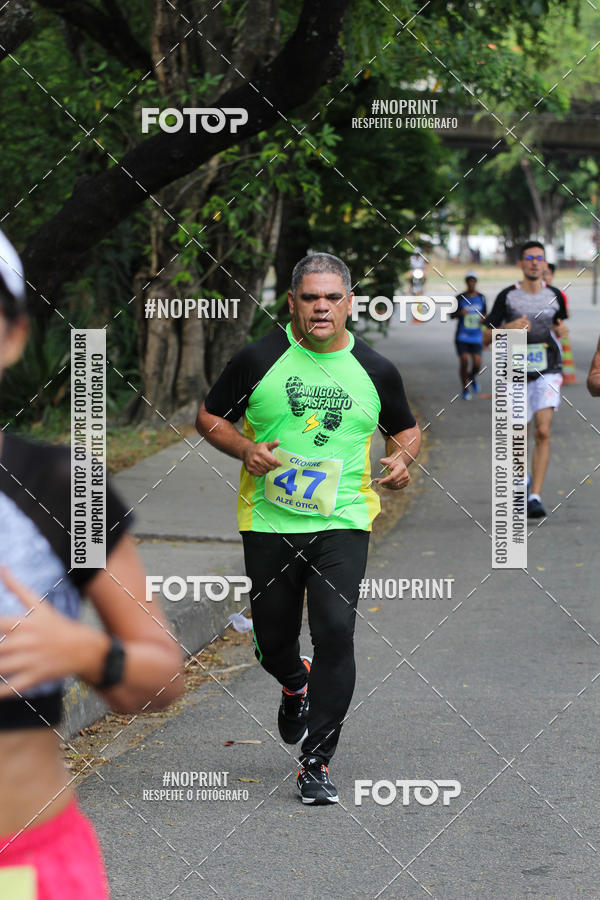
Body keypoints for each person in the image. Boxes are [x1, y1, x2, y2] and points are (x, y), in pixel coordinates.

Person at [196, 252, 420, 805]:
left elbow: (406, 429)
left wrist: (401, 459)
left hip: (343, 520)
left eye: (333, 297)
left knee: (336, 630)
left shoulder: (375, 369)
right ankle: (295, 679)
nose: (322, 307)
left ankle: (316, 761)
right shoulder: (259, 358)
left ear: (350, 303)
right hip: (268, 521)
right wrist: (245, 449)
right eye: (311, 297)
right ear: (292, 302)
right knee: (272, 641)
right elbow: (209, 417)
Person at [0, 230, 183, 898]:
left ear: (14, 336)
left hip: (24, 873)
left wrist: (81, 649)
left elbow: (161, 678)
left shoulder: (64, 487)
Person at [483, 241, 569, 518]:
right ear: (520, 263)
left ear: (545, 264)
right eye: (529, 258)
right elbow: (485, 338)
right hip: (514, 374)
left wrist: (562, 330)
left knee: (543, 431)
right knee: (519, 434)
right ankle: (521, 482)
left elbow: (559, 326)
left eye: (539, 258)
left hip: (549, 369)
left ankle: (534, 497)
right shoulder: (507, 296)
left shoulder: (555, 295)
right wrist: (507, 327)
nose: (534, 263)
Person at [450, 271, 487, 400]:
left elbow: (485, 314)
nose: (471, 283)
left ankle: (472, 377)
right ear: (466, 282)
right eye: (469, 281)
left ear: (476, 282)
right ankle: (465, 389)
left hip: (476, 336)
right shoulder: (459, 298)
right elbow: (451, 315)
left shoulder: (481, 297)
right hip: (462, 336)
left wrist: (484, 320)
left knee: (477, 364)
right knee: (464, 361)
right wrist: (460, 313)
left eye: (473, 281)